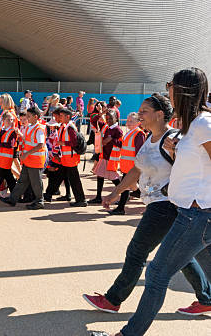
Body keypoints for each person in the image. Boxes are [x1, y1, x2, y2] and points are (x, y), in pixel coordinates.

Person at [95, 69, 211, 335]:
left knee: (157, 273)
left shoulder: (202, 124)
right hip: (192, 213)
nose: (168, 88)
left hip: (197, 214)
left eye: (171, 84)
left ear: (182, 89)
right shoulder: (190, 127)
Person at [42, 108, 87, 208]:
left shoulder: (69, 127)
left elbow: (74, 142)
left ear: (67, 116)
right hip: (66, 159)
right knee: (60, 177)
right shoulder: (65, 126)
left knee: (74, 180)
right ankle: (49, 194)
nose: (60, 118)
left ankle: (81, 200)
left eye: (61, 116)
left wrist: (62, 143)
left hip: (70, 159)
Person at [3, 107, 46, 207]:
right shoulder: (30, 127)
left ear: (35, 117)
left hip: (35, 161)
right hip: (29, 160)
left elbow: (40, 145)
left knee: (36, 182)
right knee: (22, 181)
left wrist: (26, 154)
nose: (27, 117)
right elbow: (28, 141)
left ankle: (39, 201)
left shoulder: (39, 129)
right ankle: (13, 199)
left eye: (29, 116)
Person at [107, 112, 146, 215]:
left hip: (133, 167)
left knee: (126, 187)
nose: (128, 123)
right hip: (127, 166)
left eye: (131, 121)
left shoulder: (138, 134)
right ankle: (140, 195)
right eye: (128, 121)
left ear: (138, 122)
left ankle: (121, 208)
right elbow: (124, 147)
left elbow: (139, 152)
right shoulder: (129, 133)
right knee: (133, 187)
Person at [90, 109, 122, 204]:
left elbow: (121, 144)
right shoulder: (106, 127)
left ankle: (124, 195)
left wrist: (111, 140)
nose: (108, 120)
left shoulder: (118, 130)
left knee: (114, 178)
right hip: (104, 156)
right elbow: (93, 121)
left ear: (116, 118)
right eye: (107, 118)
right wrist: (101, 114)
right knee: (100, 175)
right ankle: (98, 196)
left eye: (111, 118)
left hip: (111, 158)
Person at [0, 111, 20, 202]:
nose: (10, 121)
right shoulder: (2, 130)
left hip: (7, 158)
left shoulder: (13, 131)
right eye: (8, 119)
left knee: (0, 177)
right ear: (3, 120)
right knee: (8, 177)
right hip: (1, 157)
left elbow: (11, 145)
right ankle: (15, 195)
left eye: (12, 119)